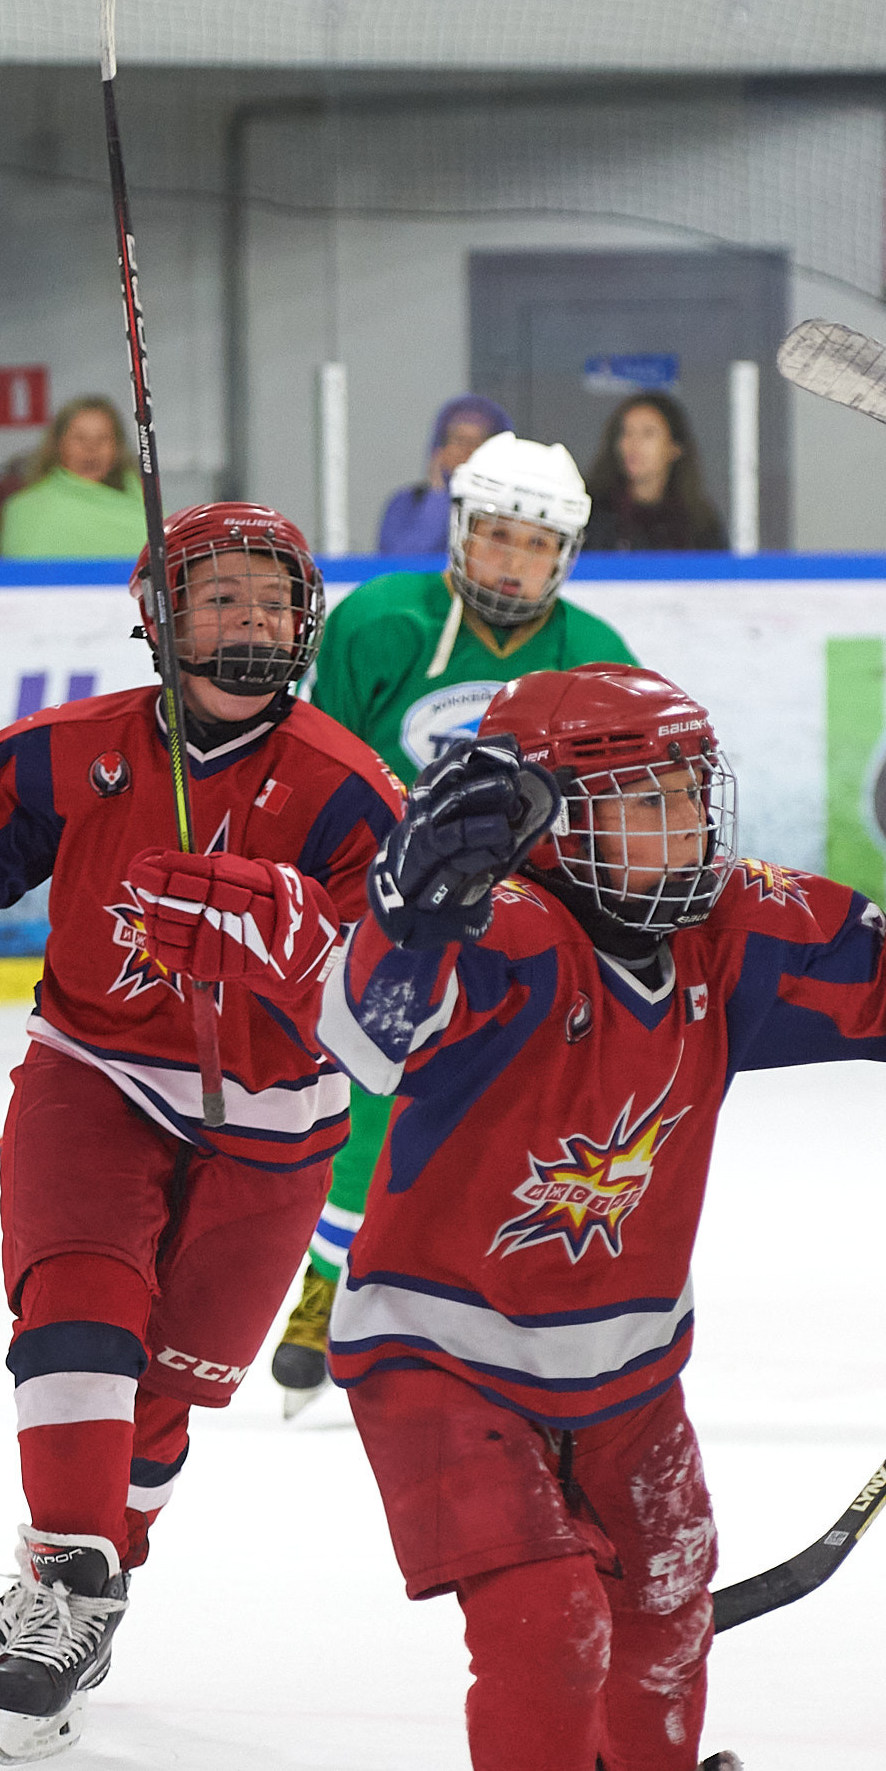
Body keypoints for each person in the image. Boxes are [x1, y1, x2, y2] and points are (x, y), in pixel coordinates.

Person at [313, 662, 886, 1771]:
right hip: (444, 1356)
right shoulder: (510, 930)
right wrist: (410, 909)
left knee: (667, 1598)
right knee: (547, 1624)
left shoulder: (727, 924)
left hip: (632, 1364)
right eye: (647, 800)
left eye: (692, 790)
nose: (687, 824)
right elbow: (363, 1038)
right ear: (547, 817)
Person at [0, 501, 399, 1765]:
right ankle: (74, 1584)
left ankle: (69, 1588)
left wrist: (298, 942)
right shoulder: (70, 750)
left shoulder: (354, 794)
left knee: (166, 1392)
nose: (251, 617)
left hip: (276, 1116)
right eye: (219, 596)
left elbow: (393, 1022)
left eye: (271, 598)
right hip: (93, 1071)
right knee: (78, 1307)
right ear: (158, 615)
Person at [269, 432, 634, 1412]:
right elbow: (322, 766)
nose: (511, 561)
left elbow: (615, 820)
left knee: (539, 1111)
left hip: (530, 923)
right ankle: (322, 1284)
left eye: (534, 543)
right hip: (392, 903)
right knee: (371, 1090)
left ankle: (491, 1292)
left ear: (565, 555)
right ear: (461, 533)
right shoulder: (379, 623)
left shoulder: (598, 658)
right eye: (496, 536)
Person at [0, 396, 148, 560]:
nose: (91, 449)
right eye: (80, 438)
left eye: (102, 438)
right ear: (58, 445)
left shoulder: (145, 504)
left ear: (117, 448)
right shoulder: (26, 509)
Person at [580, 392, 728, 551]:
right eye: (626, 433)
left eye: (648, 433)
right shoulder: (590, 514)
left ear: (674, 447)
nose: (633, 444)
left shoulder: (700, 524)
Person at [377, 394, 510, 556]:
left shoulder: (510, 505)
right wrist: (437, 495)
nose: (468, 450)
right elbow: (404, 560)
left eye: (478, 442)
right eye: (459, 440)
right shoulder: (406, 502)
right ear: (440, 448)